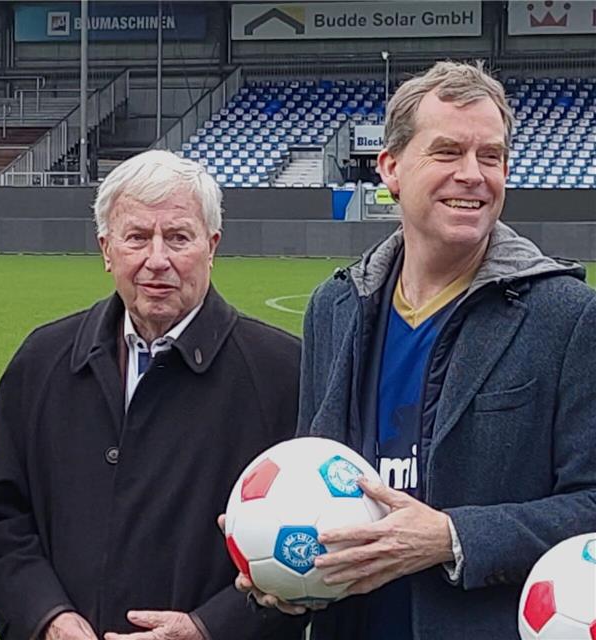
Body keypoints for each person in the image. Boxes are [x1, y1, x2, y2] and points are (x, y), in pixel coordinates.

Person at [239, 60, 596, 639]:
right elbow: (309, 475)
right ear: (392, 168)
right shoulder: (335, 308)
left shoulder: (567, 316)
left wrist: (453, 538)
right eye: (448, 152)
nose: (473, 174)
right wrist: (280, 566)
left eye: (491, 156)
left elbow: (591, 504)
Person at [0, 150, 305, 640]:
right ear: (106, 249)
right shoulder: (44, 360)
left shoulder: (284, 372)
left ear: (212, 246)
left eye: (179, 238)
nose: (157, 260)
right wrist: (47, 617)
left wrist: (208, 628)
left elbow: (316, 546)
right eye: (137, 237)